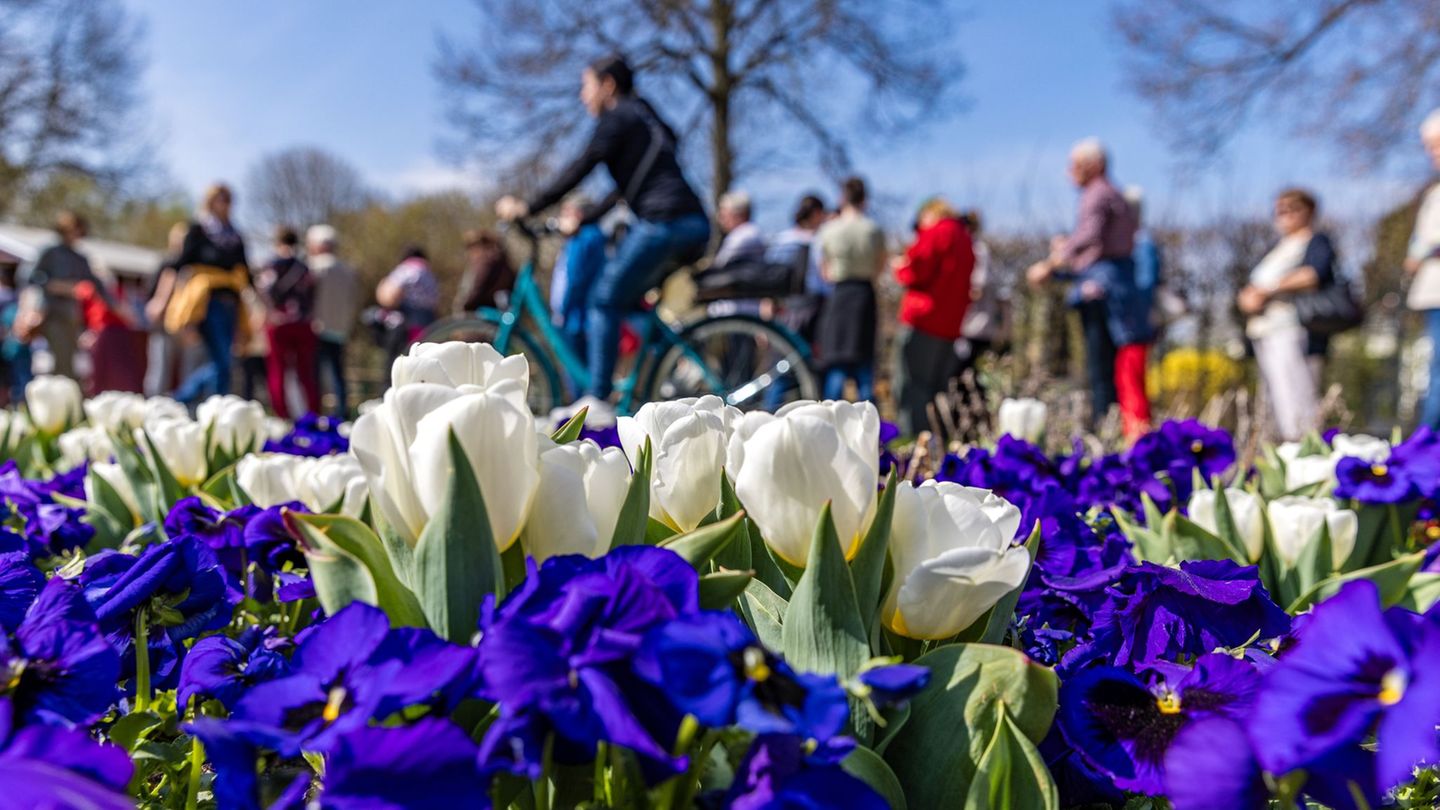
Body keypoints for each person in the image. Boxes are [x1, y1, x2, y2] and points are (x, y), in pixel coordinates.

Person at [495, 54, 709, 422]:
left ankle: (598, 398)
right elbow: (627, 189)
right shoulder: (643, 116)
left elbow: (584, 162)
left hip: (665, 222)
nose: (583, 96)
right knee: (621, 300)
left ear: (608, 85)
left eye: (586, 86)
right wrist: (585, 217)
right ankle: (656, 372)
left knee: (603, 300)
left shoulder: (618, 116)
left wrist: (528, 206)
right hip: (689, 222)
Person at [1026, 138, 1146, 436]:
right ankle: (1111, 427)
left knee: (1099, 367)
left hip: (1100, 290)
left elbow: (1088, 236)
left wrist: (1052, 263)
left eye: (1075, 165)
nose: (1069, 173)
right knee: (1107, 366)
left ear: (1094, 165)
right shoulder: (1113, 194)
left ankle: (1104, 430)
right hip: (1114, 285)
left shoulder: (1097, 194)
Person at [1237, 188, 1336, 441]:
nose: (1285, 215)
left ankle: (1304, 447)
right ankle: (1281, 451)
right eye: (1280, 210)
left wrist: (1268, 290)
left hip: (1292, 329)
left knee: (1296, 395)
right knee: (1274, 398)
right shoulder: (1277, 246)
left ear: (1310, 211)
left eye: (1293, 209)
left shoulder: (1315, 241)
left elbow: (1313, 274)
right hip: (1264, 330)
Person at [893, 196, 975, 435]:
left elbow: (916, 269)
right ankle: (937, 442)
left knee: (911, 387)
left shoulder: (937, 232)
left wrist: (900, 267)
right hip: (950, 325)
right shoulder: (965, 237)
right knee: (936, 388)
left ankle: (910, 444)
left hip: (923, 319)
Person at [167, 183, 251, 404]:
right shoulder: (198, 230)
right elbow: (179, 265)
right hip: (206, 302)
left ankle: (193, 401)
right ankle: (195, 402)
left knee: (222, 361)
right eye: (220, 198)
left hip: (231, 302)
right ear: (210, 201)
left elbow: (246, 273)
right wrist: (166, 302)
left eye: (228, 199)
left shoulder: (236, 236)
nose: (224, 204)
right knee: (222, 361)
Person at [815, 178, 884, 402]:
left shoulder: (828, 230)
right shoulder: (873, 230)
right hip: (864, 296)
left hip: (839, 295)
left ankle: (827, 424)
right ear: (865, 199)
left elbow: (823, 271)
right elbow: (879, 267)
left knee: (837, 365)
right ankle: (870, 430)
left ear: (842, 198)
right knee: (865, 369)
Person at [26, 211, 109, 379]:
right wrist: (60, 287)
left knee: (70, 362)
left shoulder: (80, 258)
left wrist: (117, 306)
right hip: (51, 314)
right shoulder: (49, 252)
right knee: (57, 360)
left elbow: (97, 285)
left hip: (72, 317)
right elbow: (29, 276)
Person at [256, 226, 320, 419]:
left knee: (277, 370)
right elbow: (313, 294)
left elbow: (262, 289)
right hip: (303, 323)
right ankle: (312, 414)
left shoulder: (271, 265)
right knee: (306, 371)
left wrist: (269, 312)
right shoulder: (304, 267)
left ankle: (281, 415)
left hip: (278, 324)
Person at [1407, 109, 1440, 429]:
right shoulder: (1433, 193)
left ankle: (1429, 437)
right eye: (1429, 147)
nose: (1434, 153)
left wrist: (1423, 250)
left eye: (1438, 145)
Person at [307, 224, 360, 417]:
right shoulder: (347, 270)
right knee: (338, 373)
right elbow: (353, 301)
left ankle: (316, 412)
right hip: (340, 329)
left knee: (316, 374)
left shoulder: (314, 267)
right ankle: (341, 412)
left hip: (317, 327)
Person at [548, 196, 609, 357]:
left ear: (579, 214)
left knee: (576, 372)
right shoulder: (589, 236)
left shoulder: (584, 237)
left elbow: (575, 278)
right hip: (578, 317)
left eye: (566, 213)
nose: (561, 218)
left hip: (576, 319)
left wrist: (563, 311)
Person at [74, 264, 143, 396]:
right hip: (101, 334)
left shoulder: (114, 290)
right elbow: (80, 314)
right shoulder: (87, 289)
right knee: (98, 375)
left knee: (119, 375)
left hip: (117, 334)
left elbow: (127, 315)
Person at [375, 245, 440, 372]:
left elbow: (390, 295)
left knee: (397, 363)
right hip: (427, 324)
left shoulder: (406, 270)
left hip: (405, 324)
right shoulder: (430, 275)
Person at [455, 229, 516, 315]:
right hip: (505, 306)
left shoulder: (483, 261)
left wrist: (465, 306)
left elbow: (478, 286)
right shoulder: (500, 259)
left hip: (485, 310)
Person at [713, 191, 766, 269]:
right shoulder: (754, 232)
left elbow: (721, 264)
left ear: (739, 215)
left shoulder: (741, 236)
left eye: (724, 216)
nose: (720, 220)